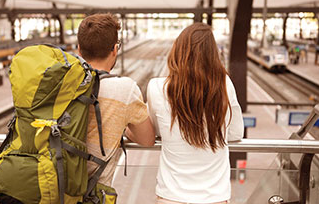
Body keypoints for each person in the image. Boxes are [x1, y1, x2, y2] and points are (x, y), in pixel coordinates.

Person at [147, 23, 244, 204]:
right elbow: (236, 133)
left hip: (171, 196)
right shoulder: (225, 84)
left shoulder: (156, 87)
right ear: (213, 55)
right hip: (215, 197)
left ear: (178, 51)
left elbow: (155, 131)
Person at [77, 13, 155, 186]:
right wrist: (123, 127)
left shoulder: (60, 82)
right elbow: (147, 139)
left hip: (51, 186)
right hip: (93, 194)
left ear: (79, 49)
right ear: (115, 49)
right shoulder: (125, 89)